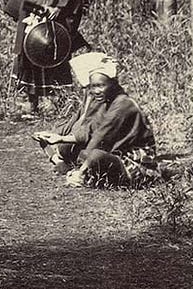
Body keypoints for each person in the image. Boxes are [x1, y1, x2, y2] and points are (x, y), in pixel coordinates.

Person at [35, 52, 158, 188]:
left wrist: (83, 162)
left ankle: (79, 174)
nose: (96, 91)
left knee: (94, 156)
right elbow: (91, 129)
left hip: (136, 163)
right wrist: (59, 138)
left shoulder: (123, 105)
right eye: (93, 86)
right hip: (114, 153)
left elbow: (100, 138)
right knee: (68, 148)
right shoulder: (106, 101)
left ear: (113, 84)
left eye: (101, 85)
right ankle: (70, 164)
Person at [5, 0, 80, 118]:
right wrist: (25, 15)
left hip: (54, 20)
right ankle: (32, 103)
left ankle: (57, 103)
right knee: (30, 59)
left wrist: (59, 8)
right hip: (32, 18)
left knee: (54, 58)